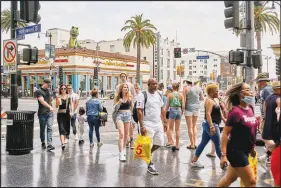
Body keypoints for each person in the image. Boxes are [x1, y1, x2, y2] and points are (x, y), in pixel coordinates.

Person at [217, 83, 260, 187]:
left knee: (229, 178)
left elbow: (249, 131)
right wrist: (223, 156)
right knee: (251, 182)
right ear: (240, 94)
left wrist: (252, 148)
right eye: (248, 89)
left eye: (251, 89)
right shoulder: (235, 112)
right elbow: (225, 133)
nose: (251, 92)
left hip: (245, 150)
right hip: (235, 151)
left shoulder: (250, 108)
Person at [137, 78, 168, 175]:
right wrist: (142, 126)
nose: (155, 85)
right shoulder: (142, 95)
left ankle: (148, 154)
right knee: (148, 144)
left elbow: (162, 108)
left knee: (160, 143)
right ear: (149, 85)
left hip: (158, 123)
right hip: (147, 123)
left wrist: (165, 121)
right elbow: (139, 111)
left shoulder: (159, 94)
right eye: (153, 84)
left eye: (156, 84)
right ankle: (150, 164)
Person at [190, 83, 226, 167]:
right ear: (211, 92)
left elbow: (218, 111)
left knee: (203, 143)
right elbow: (208, 114)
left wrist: (224, 119)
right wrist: (212, 126)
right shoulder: (209, 101)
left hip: (210, 124)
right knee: (218, 144)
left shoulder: (214, 100)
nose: (218, 92)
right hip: (211, 124)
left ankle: (194, 161)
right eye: (216, 91)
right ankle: (224, 163)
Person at [263, 81, 280, 186]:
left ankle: (269, 157)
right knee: (277, 149)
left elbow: (265, 114)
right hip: (276, 130)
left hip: (267, 129)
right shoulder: (279, 99)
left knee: (274, 150)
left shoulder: (268, 99)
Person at [255, 73, 273, 164]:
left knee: (266, 136)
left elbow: (269, 104)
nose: (257, 83)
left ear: (261, 81)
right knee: (267, 136)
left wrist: (266, 117)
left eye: (258, 82)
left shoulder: (267, 90)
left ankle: (270, 155)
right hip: (266, 117)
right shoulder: (265, 89)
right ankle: (268, 156)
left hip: (267, 118)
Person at [115, 72, 135, 149]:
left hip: (129, 106)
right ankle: (126, 141)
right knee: (122, 127)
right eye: (122, 76)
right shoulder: (118, 87)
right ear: (120, 78)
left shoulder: (130, 85)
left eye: (124, 76)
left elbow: (133, 95)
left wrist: (132, 106)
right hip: (121, 108)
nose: (123, 77)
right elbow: (117, 96)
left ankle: (131, 140)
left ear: (126, 77)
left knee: (130, 125)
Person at [114, 83, 134, 162]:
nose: (126, 88)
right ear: (121, 89)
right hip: (120, 115)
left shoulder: (130, 97)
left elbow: (132, 107)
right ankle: (120, 153)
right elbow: (114, 108)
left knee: (126, 134)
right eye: (124, 87)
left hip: (128, 115)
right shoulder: (117, 97)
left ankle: (124, 148)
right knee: (121, 134)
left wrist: (132, 119)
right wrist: (119, 102)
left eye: (127, 87)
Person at [183, 78, 204, 149]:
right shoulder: (199, 88)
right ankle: (194, 143)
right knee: (194, 126)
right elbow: (202, 98)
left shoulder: (186, 88)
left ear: (186, 81)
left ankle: (191, 144)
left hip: (188, 108)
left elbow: (184, 101)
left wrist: (182, 109)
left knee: (189, 127)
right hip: (197, 108)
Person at [35, 79, 55, 151]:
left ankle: (49, 144)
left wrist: (52, 107)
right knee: (42, 129)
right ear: (44, 83)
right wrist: (49, 107)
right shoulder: (38, 91)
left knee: (49, 128)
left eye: (50, 85)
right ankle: (43, 141)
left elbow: (52, 100)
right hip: (42, 113)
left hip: (49, 113)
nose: (49, 86)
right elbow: (42, 101)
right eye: (48, 84)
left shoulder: (50, 91)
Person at [165, 82, 184, 151]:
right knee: (178, 129)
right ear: (178, 88)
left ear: (172, 88)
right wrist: (181, 112)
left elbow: (167, 106)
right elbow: (183, 106)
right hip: (179, 109)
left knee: (170, 128)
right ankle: (177, 145)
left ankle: (173, 142)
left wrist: (164, 114)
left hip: (172, 110)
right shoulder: (181, 95)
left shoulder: (170, 95)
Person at [56, 84, 73, 150]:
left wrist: (72, 111)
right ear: (60, 89)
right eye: (62, 88)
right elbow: (57, 106)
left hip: (67, 114)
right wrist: (58, 101)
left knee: (66, 128)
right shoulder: (58, 96)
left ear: (66, 89)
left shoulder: (69, 96)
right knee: (61, 129)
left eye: (64, 88)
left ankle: (66, 138)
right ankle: (62, 143)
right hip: (60, 114)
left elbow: (71, 104)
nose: (63, 90)